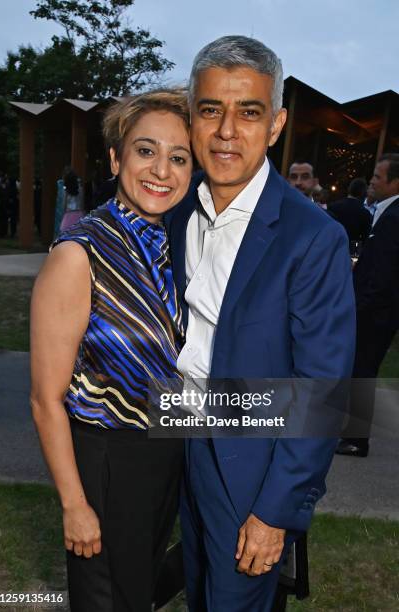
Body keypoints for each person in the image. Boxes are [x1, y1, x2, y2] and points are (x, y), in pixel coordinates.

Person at [166, 35, 356, 611]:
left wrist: (276, 511)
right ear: (192, 119)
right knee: (197, 591)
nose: (227, 131)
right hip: (179, 440)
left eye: (248, 112)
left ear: (274, 126)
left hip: (252, 467)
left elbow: (322, 393)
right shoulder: (176, 211)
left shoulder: (312, 237)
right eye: (210, 110)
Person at [30, 89, 193, 612]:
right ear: (116, 157)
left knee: (140, 592)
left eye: (179, 157)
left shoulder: (178, 248)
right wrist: (74, 505)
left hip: (166, 452)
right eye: (146, 150)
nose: (161, 170)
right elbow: (44, 399)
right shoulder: (80, 253)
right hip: (106, 462)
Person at [337, 153, 399, 457]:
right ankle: (352, 433)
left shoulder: (394, 217)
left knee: (362, 372)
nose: (372, 181)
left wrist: (361, 308)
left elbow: (384, 274)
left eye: (377, 176)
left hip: (375, 314)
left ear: (394, 182)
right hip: (375, 310)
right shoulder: (384, 213)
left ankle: (357, 439)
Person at [328, 177, 372, 242]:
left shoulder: (333, 207)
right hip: (352, 250)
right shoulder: (364, 213)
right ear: (364, 193)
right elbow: (366, 239)